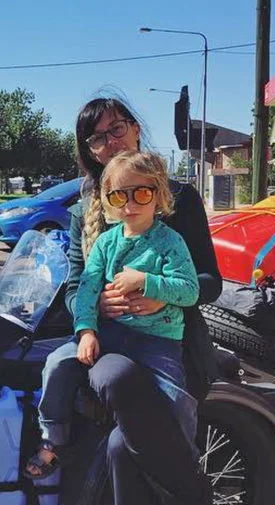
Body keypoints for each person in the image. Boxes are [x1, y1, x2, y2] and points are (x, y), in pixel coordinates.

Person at [59, 97, 229, 505]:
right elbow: (74, 286)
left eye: (117, 129)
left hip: (170, 352)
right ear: (89, 152)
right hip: (108, 351)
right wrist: (96, 309)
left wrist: (158, 292)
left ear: (135, 128)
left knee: (122, 455)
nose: (109, 141)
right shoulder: (86, 207)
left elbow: (208, 281)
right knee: (117, 378)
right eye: (97, 138)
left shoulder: (176, 197)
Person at [25, 150, 199, 479]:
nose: (130, 205)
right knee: (57, 363)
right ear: (108, 200)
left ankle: (184, 462)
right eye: (120, 196)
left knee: (176, 398)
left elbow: (190, 290)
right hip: (111, 333)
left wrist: (147, 282)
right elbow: (87, 290)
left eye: (141, 193)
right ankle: (54, 439)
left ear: (159, 195)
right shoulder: (106, 243)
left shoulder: (170, 242)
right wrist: (86, 331)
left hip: (158, 339)